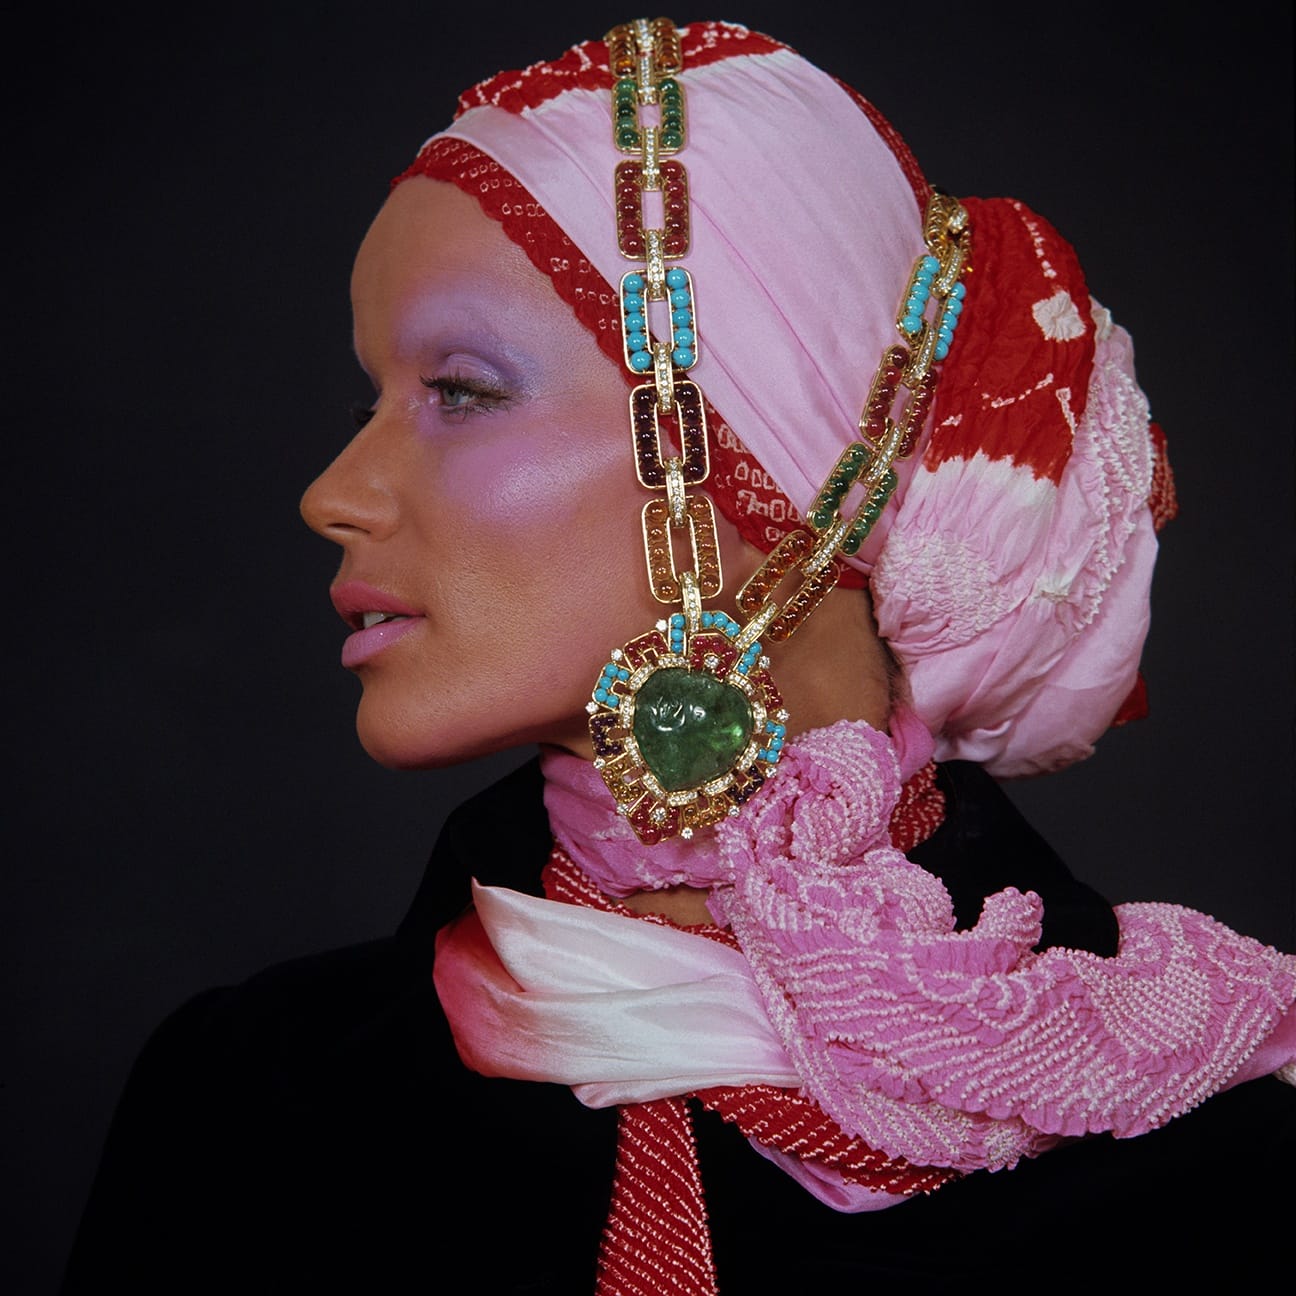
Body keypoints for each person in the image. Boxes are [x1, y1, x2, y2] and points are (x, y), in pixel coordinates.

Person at [62, 18, 1294, 1294]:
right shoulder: (252, 1106)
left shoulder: (1204, 1157)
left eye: (464, 391)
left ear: (780, 459)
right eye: (366, 401)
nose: (335, 491)